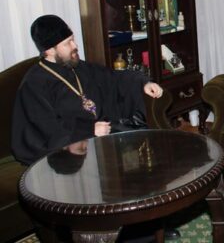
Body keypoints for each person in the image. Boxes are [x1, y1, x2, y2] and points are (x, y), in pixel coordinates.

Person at [11, 14, 163, 166]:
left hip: (102, 138)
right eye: (68, 43)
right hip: (68, 154)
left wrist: (143, 83)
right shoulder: (34, 85)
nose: (75, 46)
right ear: (50, 50)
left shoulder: (76, 66)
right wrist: (89, 130)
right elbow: (46, 129)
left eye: (73, 39)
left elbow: (114, 78)